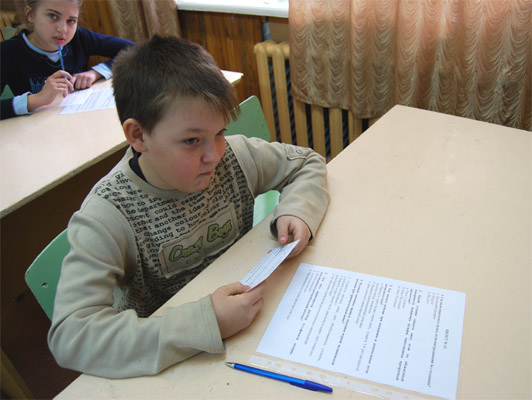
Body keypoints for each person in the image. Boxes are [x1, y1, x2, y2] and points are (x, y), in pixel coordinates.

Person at [48, 35, 329, 378]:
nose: (215, 154)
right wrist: (206, 322)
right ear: (138, 136)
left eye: (220, 132)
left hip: (248, 330)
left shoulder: (234, 157)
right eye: (192, 141)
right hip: (174, 359)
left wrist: (297, 210)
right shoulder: (108, 214)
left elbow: (306, 162)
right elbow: (72, 336)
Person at [0, 0, 134, 120]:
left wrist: (95, 73)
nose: (62, 29)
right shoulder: (7, 52)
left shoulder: (79, 37)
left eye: (71, 21)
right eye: (53, 16)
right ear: (30, 14)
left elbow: (133, 50)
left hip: (80, 122)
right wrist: (36, 99)